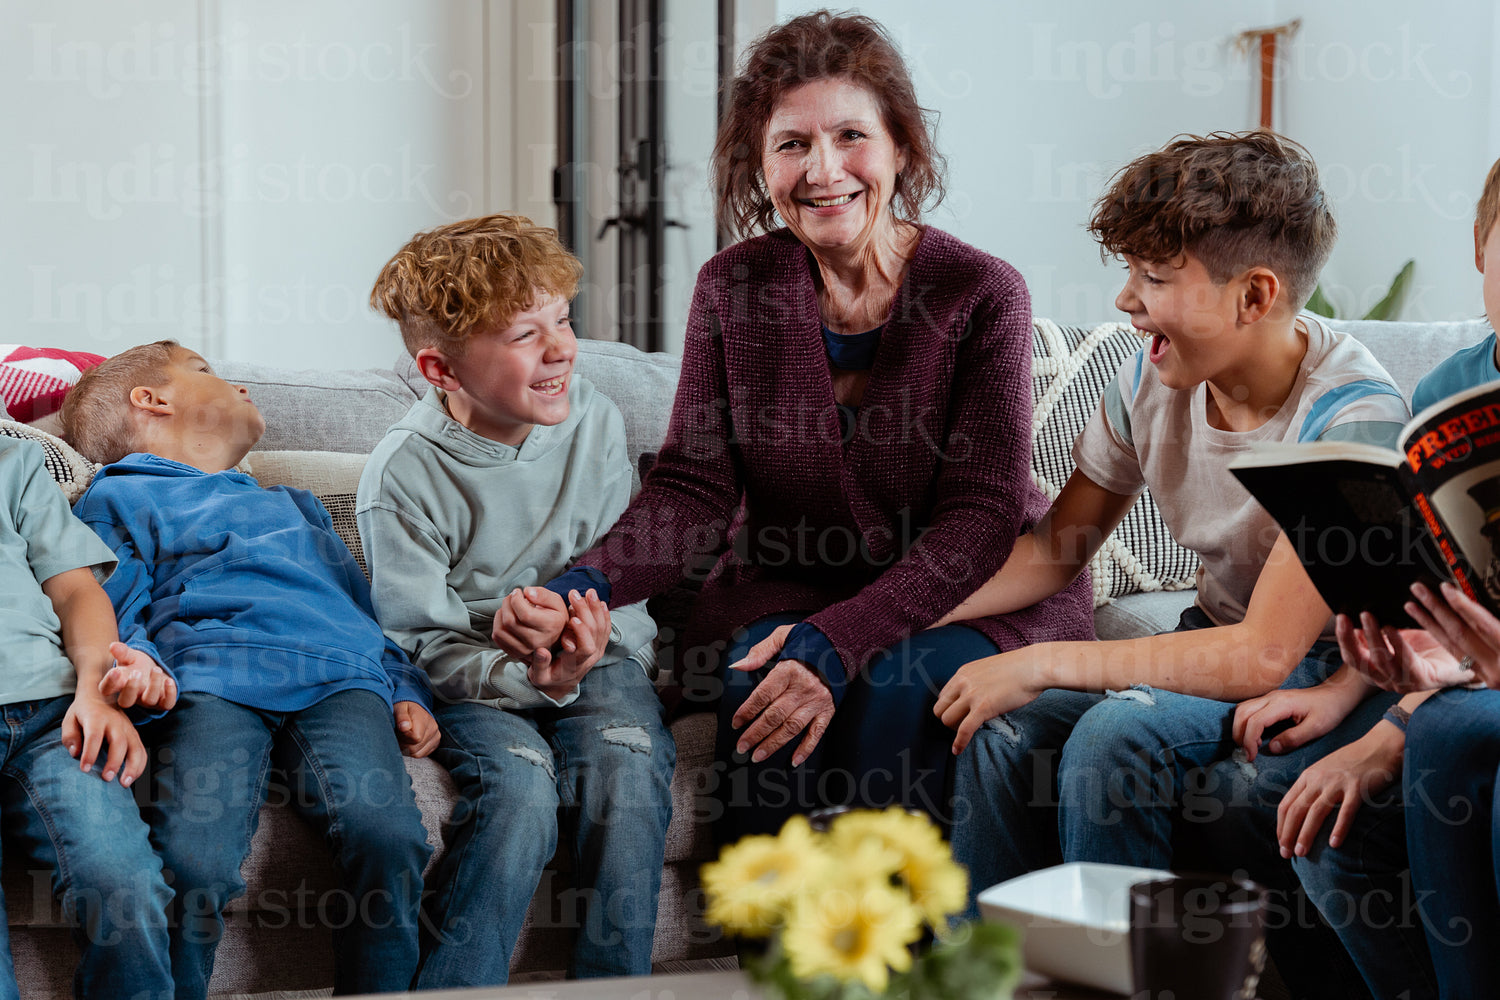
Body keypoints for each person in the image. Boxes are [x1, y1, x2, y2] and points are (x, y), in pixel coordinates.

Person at [509, 9, 1094, 840]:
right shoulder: (732, 287)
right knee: (761, 675)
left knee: (897, 686)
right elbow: (692, 488)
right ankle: (778, 948)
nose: (824, 171)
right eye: (791, 144)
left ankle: (901, 951)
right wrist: (586, 584)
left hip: (966, 596)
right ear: (760, 164)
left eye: (852, 136)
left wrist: (844, 635)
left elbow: (980, 518)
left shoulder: (980, 292)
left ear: (900, 148)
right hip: (798, 581)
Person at [933, 131, 1410, 997]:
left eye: (1155, 279)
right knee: (1001, 732)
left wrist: (1039, 660)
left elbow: (1264, 654)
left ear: (1254, 295)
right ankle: (982, 984)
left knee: (1113, 737)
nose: (1125, 301)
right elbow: (1054, 551)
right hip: (1212, 643)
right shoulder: (1151, 378)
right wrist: (900, 609)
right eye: (1130, 274)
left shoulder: (1352, 417)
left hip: (1328, 672)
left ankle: (1133, 987)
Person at [62, 342, 436, 999]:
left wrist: (407, 688)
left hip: (344, 682)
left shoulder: (296, 505)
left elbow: (364, 614)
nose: (234, 384)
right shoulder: (117, 496)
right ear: (151, 401)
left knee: (391, 837)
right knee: (193, 860)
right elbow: (112, 600)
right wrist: (139, 662)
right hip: (213, 680)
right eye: (206, 372)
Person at [358, 213, 674, 986]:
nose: (563, 347)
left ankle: (616, 986)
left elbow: (621, 573)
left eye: (562, 320)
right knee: (521, 796)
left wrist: (582, 630)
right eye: (525, 335)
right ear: (441, 370)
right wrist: (521, 673)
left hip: (600, 662)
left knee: (626, 770)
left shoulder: (595, 417)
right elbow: (418, 644)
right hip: (474, 682)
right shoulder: (401, 476)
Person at [1255, 156, 1500, 999]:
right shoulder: (1449, 393)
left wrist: (1390, 732)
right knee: (1328, 818)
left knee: (1451, 737)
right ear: (1479, 246)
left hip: (1470, 702)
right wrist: (1356, 690)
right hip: (1467, 681)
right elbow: (1434, 595)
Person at [0, 432, 177, 998]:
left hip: (53, 718)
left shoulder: (16, 464)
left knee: (123, 884)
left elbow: (76, 592)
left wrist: (95, 692)